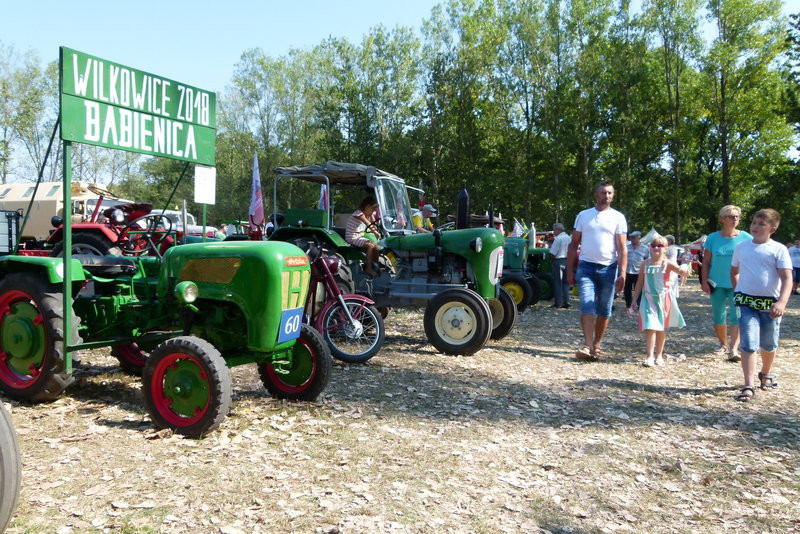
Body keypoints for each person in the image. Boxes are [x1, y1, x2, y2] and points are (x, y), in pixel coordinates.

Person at [729, 209, 792, 402]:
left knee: (768, 343)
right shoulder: (742, 247)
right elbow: (734, 271)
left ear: (772, 229)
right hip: (746, 302)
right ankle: (748, 385)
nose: (755, 226)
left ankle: (765, 374)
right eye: (754, 223)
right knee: (748, 343)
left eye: (761, 224)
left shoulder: (779, 249)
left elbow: (787, 278)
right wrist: (738, 289)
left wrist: (781, 302)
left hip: (770, 304)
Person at [566, 181, 628, 361]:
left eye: (609, 193)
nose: (606, 196)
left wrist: (622, 273)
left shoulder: (618, 217)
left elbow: (622, 248)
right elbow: (573, 244)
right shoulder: (583, 216)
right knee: (586, 304)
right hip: (586, 266)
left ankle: (597, 344)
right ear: (596, 195)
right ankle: (587, 345)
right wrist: (569, 270)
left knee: (604, 309)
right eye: (603, 192)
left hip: (609, 268)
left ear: (613, 195)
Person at [701, 205, 752, 362]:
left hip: (738, 284)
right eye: (731, 216)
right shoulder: (712, 238)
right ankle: (723, 344)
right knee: (719, 315)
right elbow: (706, 262)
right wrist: (704, 280)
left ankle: (733, 348)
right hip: (716, 283)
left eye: (737, 216)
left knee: (737, 316)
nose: (734, 219)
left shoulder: (746, 238)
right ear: (722, 219)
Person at [631, 236, 689, 367]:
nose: (656, 248)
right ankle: (650, 356)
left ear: (666, 248)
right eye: (653, 245)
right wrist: (634, 300)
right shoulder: (644, 263)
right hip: (648, 299)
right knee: (650, 326)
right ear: (649, 247)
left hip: (663, 299)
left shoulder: (667, 263)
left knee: (661, 328)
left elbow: (683, 272)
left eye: (660, 245)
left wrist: (685, 266)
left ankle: (659, 355)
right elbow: (639, 283)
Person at [346, 196, 381, 277]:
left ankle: (375, 266)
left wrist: (372, 215)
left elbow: (373, 225)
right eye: (372, 210)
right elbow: (368, 223)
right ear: (367, 206)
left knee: (377, 247)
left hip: (358, 236)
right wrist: (375, 232)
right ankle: (368, 269)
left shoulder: (367, 214)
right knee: (370, 246)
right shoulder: (359, 214)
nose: (373, 212)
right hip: (352, 237)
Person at [624, 231, 649, 308]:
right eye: (631, 237)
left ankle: (637, 304)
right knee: (627, 289)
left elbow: (647, 259)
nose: (632, 239)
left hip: (639, 272)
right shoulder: (627, 247)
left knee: (638, 289)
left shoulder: (645, 248)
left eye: (634, 238)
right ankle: (628, 304)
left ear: (639, 238)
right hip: (628, 271)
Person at [549, 222, 571, 308]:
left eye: (554, 229)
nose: (553, 231)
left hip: (559, 261)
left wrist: (552, 260)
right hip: (568, 261)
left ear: (558, 230)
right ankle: (566, 301)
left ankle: (558, 303)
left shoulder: (558, 239)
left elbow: (552, 253)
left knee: (558, 283)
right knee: (566, 283)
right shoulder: (569, 238)